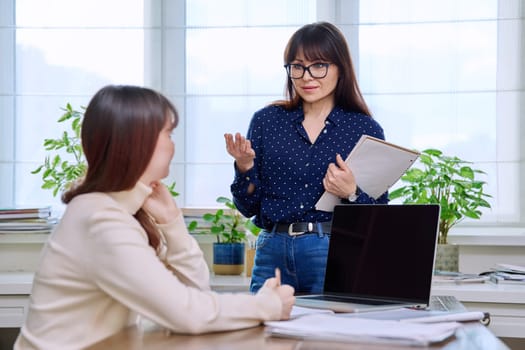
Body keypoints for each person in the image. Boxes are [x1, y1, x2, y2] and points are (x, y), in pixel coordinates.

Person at [14, 85, 295, 350]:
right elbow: (186, 314)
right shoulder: (100, 219)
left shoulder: (125, 209)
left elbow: (195, 293)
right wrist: (267, 305)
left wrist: (172, 223)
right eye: (168, 135)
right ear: (138, 143)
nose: (174, 146)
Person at [224, 22, 389, 294]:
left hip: (332, 249)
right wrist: (245, 167)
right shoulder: (267, 121)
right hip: (271, 250)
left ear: (340, 68)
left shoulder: (364, 129)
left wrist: (351, 192)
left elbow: (378, 215)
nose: (307, 76)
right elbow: (248, 207)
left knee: (330, 333)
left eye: (319, 65)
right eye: (297, 66)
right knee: (266, 331)